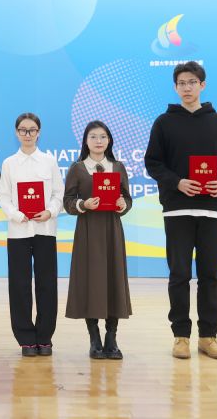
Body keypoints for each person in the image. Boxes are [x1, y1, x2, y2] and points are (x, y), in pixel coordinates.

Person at [145, 61, 217, 360]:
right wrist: (177, 182)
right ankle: (181, 336)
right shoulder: (164, 123)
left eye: (192, 82)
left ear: (202, 85)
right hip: (177, 209)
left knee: (210, 275)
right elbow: (153, 163)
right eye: (181, 83)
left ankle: (208, 337)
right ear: (175, 87)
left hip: (212, 209)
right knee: (179, 274)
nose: (187, 87)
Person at [0, 113, 64, 357]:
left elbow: (58, 193)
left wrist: (50, 211)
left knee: (47, 284)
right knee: (20, 285)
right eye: (23, 130)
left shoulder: (49, 161)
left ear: (39, 132)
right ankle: (25, 338)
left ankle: (44, 338)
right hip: (19, 232)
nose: (28, 134)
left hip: (45, 230)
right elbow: (2, 196)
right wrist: (16, 214)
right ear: (16, 133)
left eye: (32, 130)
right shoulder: (9, 163)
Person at [63, 120, 132, 360]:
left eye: (103, 136)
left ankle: (111, 337)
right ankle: (94, 339)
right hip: (88, 230)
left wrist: (123, 204)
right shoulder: (77, 168)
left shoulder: (118, 167)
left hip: (112, 229)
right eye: (93, 136)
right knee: (90, 281)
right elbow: (68, 202)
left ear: (109, 140)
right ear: (85, 141)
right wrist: (83, 204)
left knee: (113, 279)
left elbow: (127, 199)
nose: (98, 141)